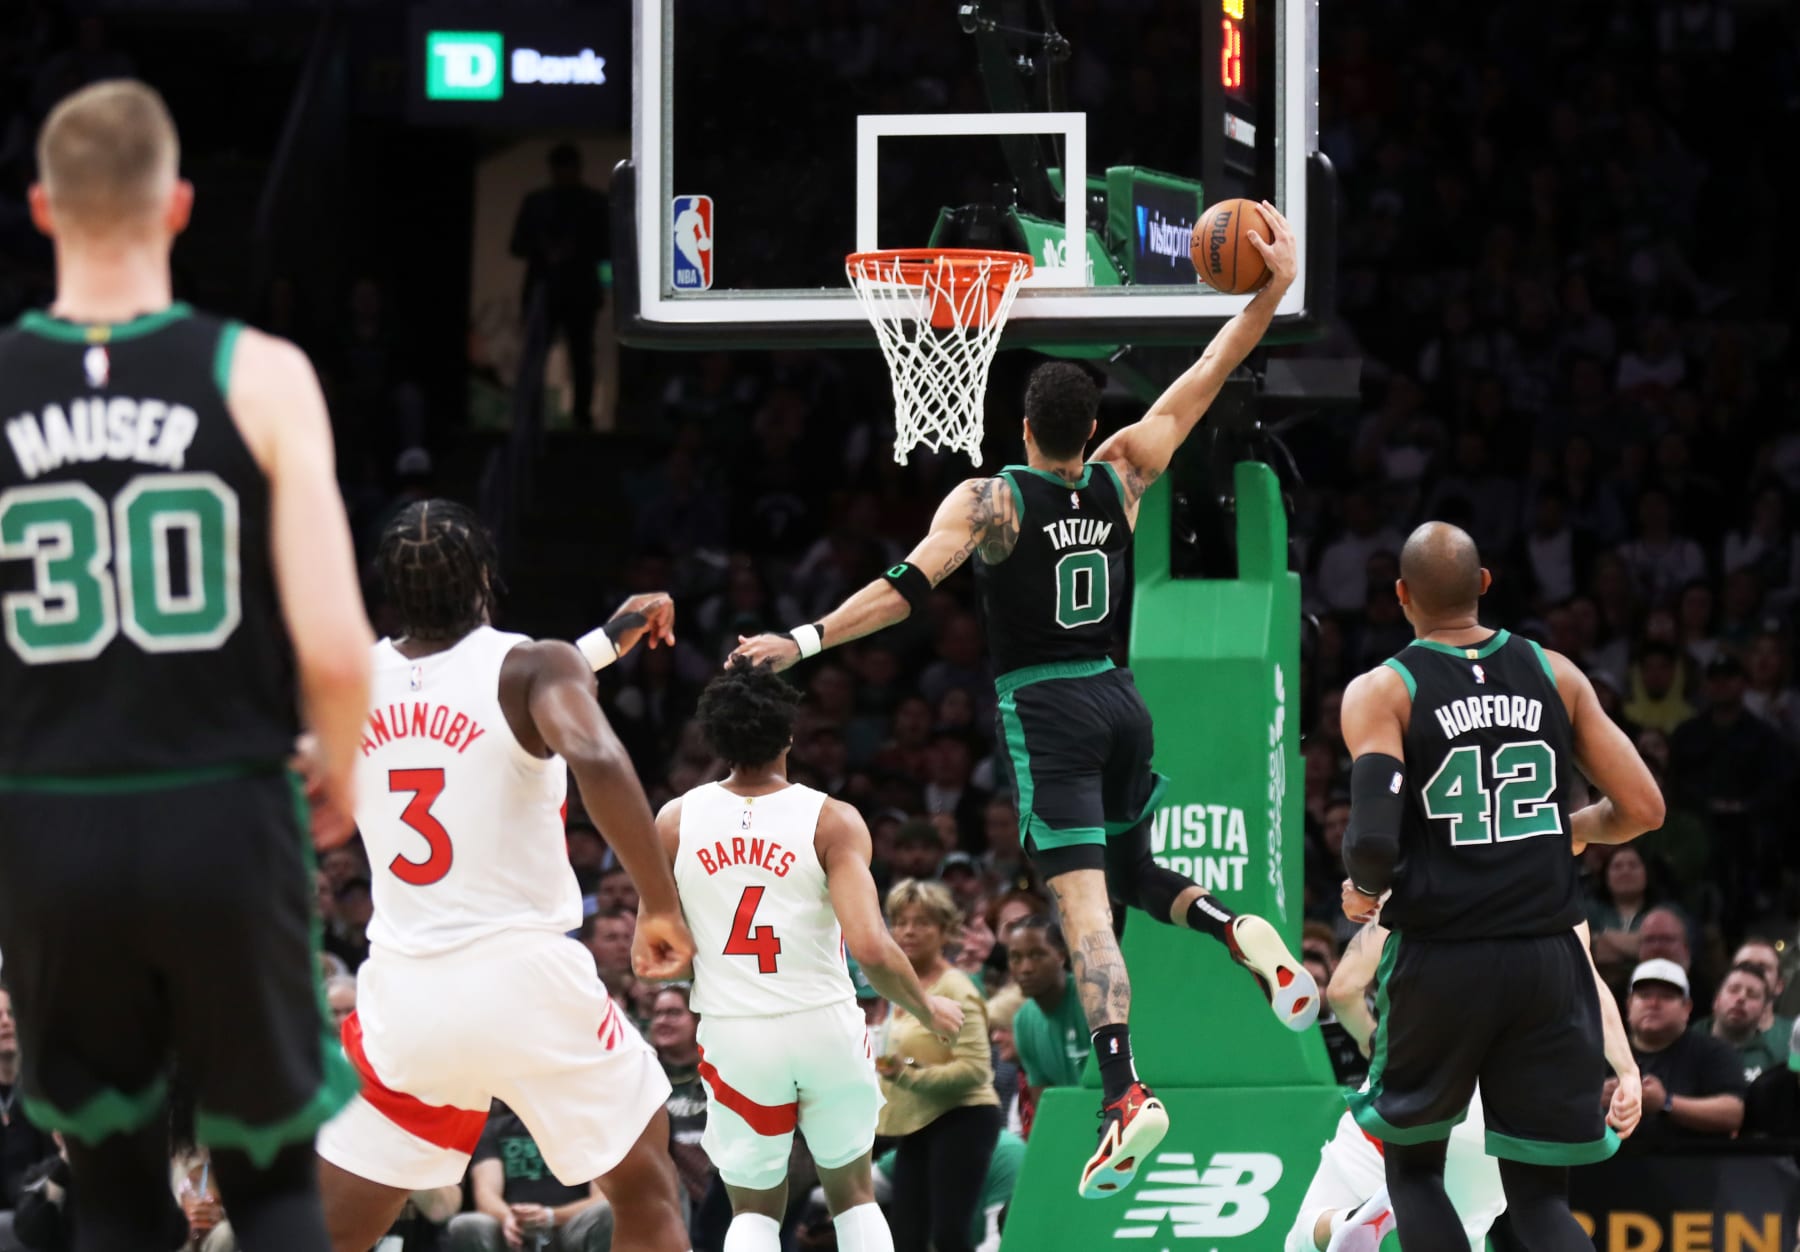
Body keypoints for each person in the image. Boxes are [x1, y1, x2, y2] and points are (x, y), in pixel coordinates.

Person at [732, 203, 1315, 1198]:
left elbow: (904, 591)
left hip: (1048, 714)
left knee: (1085, 918)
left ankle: (1127, 1093)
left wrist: (806, 637)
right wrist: (1268, 287)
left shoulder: (988, 501)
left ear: (1021, 426)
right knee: (1133, 871)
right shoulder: (1128, 468)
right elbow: (1210, 371)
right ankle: (1236, 930)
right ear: (1091, 427)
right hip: (1123, 699)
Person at [0, 80, 376, 1252]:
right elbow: (330, 644)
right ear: (179, 206)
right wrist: (340, 777)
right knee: (269, 1186)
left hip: (53, 825)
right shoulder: (259, 373)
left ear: (41, 209)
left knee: (109, 1186)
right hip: (224, 806)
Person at [315, 500, 695, 1252]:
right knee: (647, 1192)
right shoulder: (533, 665)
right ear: (487, 578)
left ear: (388, 592)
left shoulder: (349, 681)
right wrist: (658, 903)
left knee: (328, 1232)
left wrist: (607, 641)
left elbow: (456, 688)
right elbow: (587, 751)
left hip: (405, 995)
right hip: (528, 981)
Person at [1338, 522, 1664, 1250]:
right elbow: (1644, 809)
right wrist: (1569, 828)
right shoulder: (1556, 672)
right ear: (1485, 584)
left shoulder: (1383, 690)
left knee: (1415, 1171)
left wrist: (1362, 892)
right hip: (1547, 960)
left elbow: (1372, 841)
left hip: (1442, 960)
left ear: (1400, 596)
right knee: (1541, 1198)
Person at [654, 661, 964, 1252]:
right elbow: (870, 946)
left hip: (736, 1030)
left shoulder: (674, 821)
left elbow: (661, 948)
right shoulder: (832, 819)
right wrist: (925, 1007)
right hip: (823, 1022)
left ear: (714, 740)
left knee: (753, 1208)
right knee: (852, 1193)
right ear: (790, 735)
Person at [1288, 912, 1639, 1252]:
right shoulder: (1551, 882)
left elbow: (1343, 990)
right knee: (1533, 1213)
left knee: (1306, 1233)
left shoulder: (1420, 875)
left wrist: (1374, 1048)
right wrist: (1627, 1073)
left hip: (1426, 1082)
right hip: (1517, 1098)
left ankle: (1348, 1221)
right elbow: (1587, 985)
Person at [876, 880, 1000, 1252]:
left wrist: (908, 1076)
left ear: (945, 931)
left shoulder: (956, 987)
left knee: (949, 1235)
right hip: (918, 1123)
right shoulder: (897, 986)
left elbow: (977, 1070)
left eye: (922, 922)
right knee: (906, 1239)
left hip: (964, 1118)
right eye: (900, 921)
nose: (909, 931)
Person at [509, 144, 608, 426]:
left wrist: (572, 251)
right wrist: (545, 250)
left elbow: (606, 245)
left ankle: (580, 416)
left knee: (580, 355)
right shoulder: (538, 203)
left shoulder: (592, 204)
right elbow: (517, 244)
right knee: (538, 356)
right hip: (545, 291)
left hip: (577, 291)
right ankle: (533, 415)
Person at [446, 1103, 612, 1252]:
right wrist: (508, 1218)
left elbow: (602, 1197)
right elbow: (486, 1193)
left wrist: (551, 1216)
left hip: (570, 1225)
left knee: (607, 1213)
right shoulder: (493, 1130)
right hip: (511, 1229)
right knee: (467, 1225)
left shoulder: (585, 1130)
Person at [1623, 958, 1746, 1148]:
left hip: (1691, 1169)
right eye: (1644, 995)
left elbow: (1732, 1113)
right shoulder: (1603, 1053)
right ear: (1629, 1005)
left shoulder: (1713, 1052)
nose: (1653, 1003)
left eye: (1666, 996)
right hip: (1613, 1169)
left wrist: (1665, 1103)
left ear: (1686, 1008)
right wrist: (1597, 1100)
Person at [1004, 918, 1088, 1137]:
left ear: (1061, 955)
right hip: (1071, 1131)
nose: (1026, 969)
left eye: (1037, 955)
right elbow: (1046, 1105)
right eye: (1016, 958)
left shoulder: (1091, 1001)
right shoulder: (1023, 1021)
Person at [1699, 963, 1783, 1083]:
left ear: (1763, 1011)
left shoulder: (1772, 1062)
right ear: (1716, 1000)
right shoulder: (1684, 1044)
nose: (1741, 998)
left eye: (1752, 994)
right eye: (1733, 990)